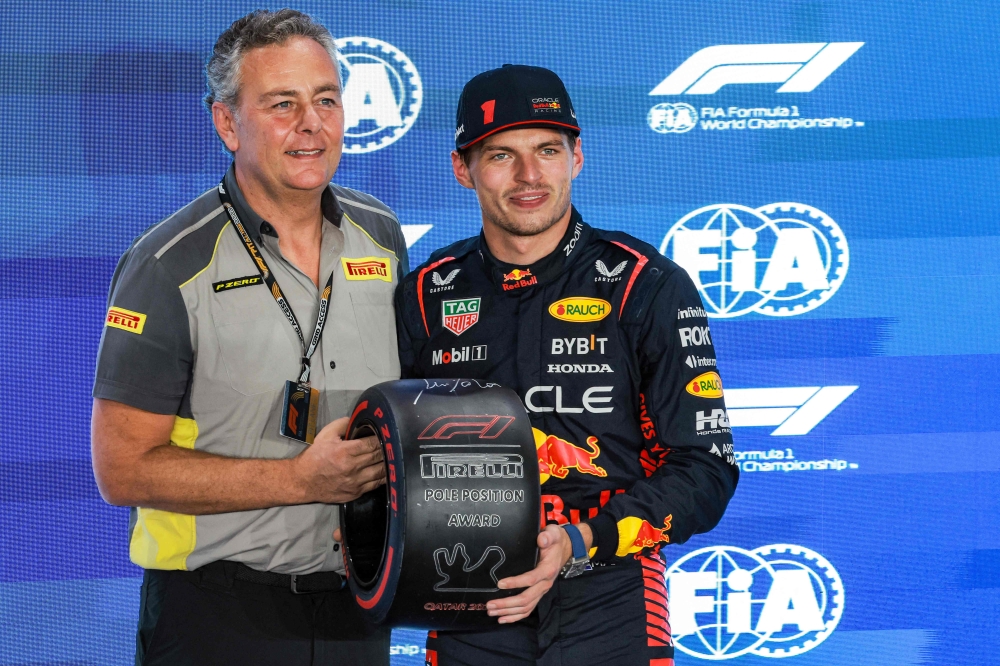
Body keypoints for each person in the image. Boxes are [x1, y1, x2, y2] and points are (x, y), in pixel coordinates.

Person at [90, 10, 407, 665]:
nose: (311, 123)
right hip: (216, 616)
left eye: (326, 100)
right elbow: (122, 470)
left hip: (359, 609)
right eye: (282, 104)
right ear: (227, 123)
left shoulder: (382, 235)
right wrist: (299, 479)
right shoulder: (167, 265)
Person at [394, 65, 739, 665]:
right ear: (462, 169)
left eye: (547, 150)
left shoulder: (646, 285)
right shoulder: (426, 293)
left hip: (612, 596)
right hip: (468, 596)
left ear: (576, 158)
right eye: (501, 155)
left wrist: (581, 541)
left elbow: (706, 470)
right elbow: (390, 455)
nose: (529, 175)